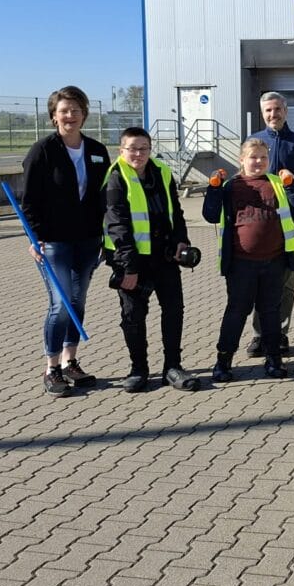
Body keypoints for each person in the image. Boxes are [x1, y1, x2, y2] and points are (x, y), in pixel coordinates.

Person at [20, 86, 111, 397]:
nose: (70, 115)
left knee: (77, 301)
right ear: (53, 116)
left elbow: (104, 198)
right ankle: (52, 368)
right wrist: (35, 238)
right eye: (64, 111)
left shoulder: (97, 150)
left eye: (75, 110)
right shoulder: (42, 151)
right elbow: (29, 201)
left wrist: (106, 236)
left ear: (84, 114)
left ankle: (71, 362)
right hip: (53, 243)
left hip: (88, 240)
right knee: (60, 305)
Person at [202, 138, 294, 382]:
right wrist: (214, 189)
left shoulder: (277, 183)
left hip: (274, 261)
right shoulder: (231, 186)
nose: (259, 161)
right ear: (242, 160)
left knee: (270, 312)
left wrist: (292, 186)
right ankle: (223, 361)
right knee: (236, 312)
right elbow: (210, 215)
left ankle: (273, 359)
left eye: (263, 157)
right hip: (241, 263)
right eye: (253, 157)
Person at [103, 127, 200, 393]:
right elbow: (116, 225)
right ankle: (138, 369)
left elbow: (175, 212)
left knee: (174, 310)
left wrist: (181, 241)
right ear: (121, 150)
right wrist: (129, 267)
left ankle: (172, 367)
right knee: (133, 316)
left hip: (164, 256)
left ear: (150, 149)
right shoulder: (116, 177)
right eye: (132, 149)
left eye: (143, 148)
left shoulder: (162, 171)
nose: (138, 154)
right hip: (132, 261)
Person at [247, 91, 294, 357]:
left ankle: (281, 334)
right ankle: (259, 335)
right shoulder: (253, 142)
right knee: (259, 279)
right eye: (268, 110)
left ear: (285, 111)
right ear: (262, 113)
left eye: (277, 109)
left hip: (290, 225)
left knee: (285, 281)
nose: (273, 114)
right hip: (260, 224)